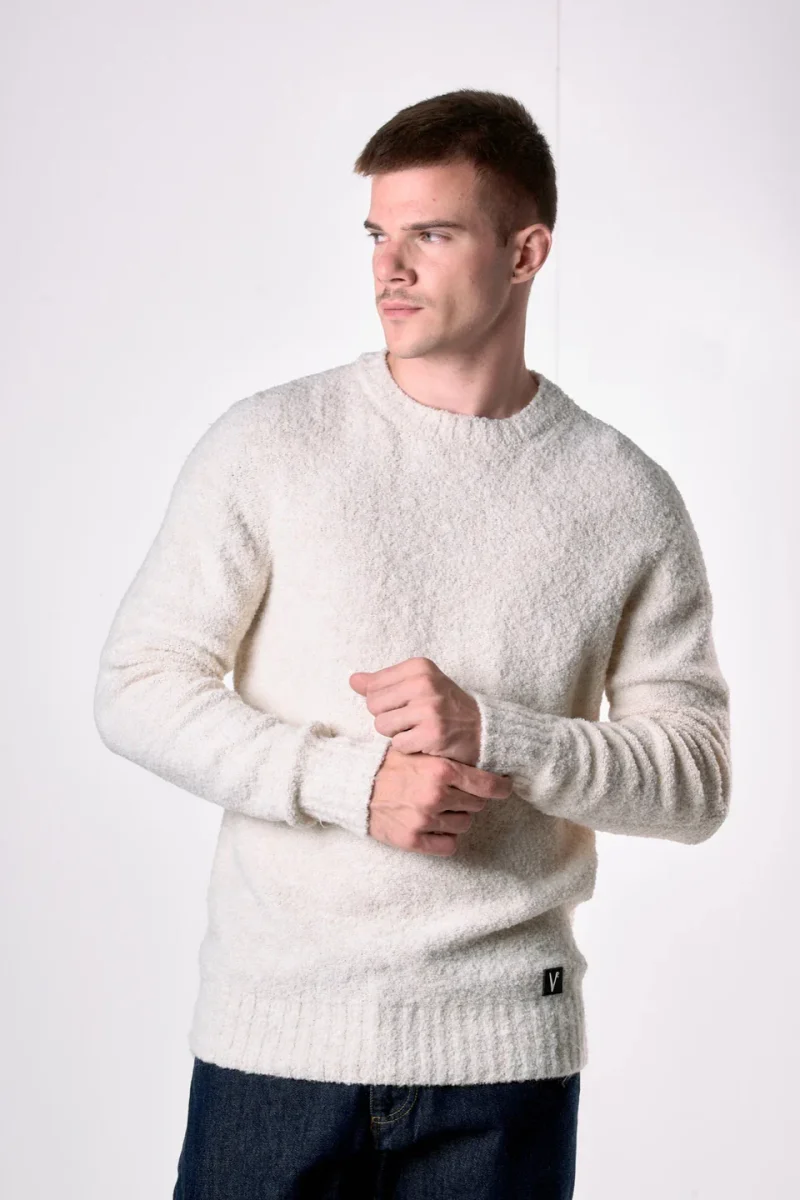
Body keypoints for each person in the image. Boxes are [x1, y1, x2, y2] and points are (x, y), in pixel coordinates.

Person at [93, 88, 731, 1199]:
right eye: (377, 235)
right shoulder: (270, 444)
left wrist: (500, 733)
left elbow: (694, 781)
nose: (388, 268)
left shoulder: (625, 495)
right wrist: (348, 783)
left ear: (525, 252)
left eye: (429, 234)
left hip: (505, 1067)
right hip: (276, 1047)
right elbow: (138, 687)